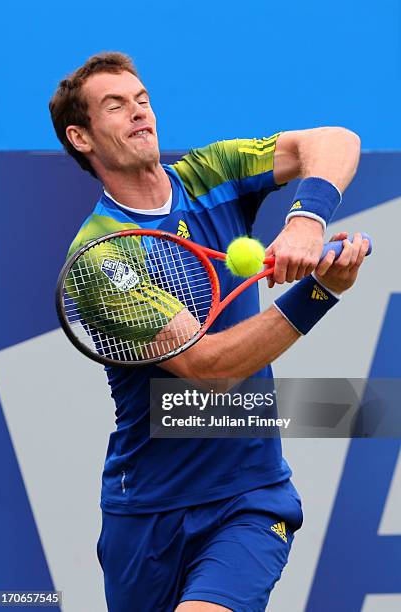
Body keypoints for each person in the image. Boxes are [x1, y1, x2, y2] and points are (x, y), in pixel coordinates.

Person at [50, 52, 369, 612]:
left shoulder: (209, 173)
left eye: (142, 100)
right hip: (145, 509)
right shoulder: (102, 258)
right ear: (81, 137)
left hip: (250, 495)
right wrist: (320, 292)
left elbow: (334, 140)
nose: (139, 113)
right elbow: (208, 368)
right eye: (116, 105)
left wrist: (307, 217)